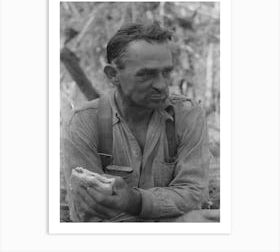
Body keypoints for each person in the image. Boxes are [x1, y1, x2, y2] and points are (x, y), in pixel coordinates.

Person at [62, 21, 217, 222]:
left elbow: (195, 194)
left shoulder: (186, 114)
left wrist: (134, 201)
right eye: (146, 74)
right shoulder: (83, 123)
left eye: (166, 72)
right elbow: (89, 213)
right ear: (113, 75)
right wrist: (172, 215)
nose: (161, 85)